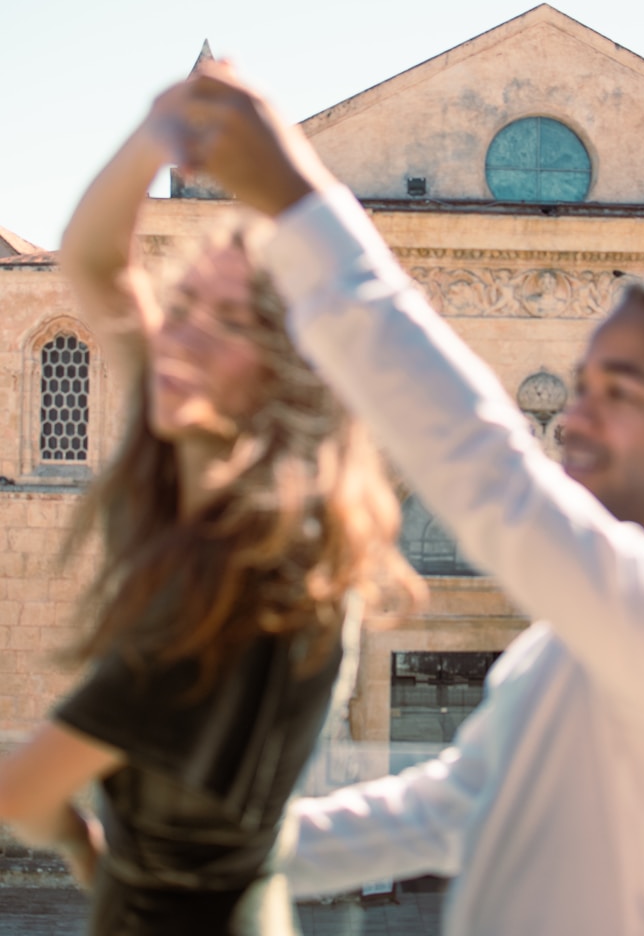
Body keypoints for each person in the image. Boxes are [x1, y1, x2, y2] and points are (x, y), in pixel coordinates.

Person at [135, 61, 644, 936]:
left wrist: (302, 206)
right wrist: (186, 858)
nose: (569, 418)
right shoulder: (576, 639)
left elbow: (492, 484)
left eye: (619, 393)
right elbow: (446, 807)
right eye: (581, 384)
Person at [0, 92, 421, 935]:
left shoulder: (249, 571)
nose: (181, 336)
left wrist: (85, 849)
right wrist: (157, 132)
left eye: (225, 322)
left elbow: (24, 791)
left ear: (282, 374)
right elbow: (96, 262)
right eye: (182, 306)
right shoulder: (185, 452)